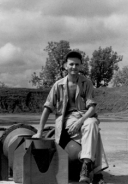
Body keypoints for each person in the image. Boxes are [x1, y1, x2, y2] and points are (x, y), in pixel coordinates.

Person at [32, 50, 108, 183]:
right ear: (65, 65)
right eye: (71, 64)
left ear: (81, 66)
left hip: (84, 117)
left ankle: (85, 167)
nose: (74, 67)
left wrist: (80, 122)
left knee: (92, 124)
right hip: (66, 120)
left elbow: (92, 108)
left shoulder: (86, 83)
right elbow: (47, 108)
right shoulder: (58, 85)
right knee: (94, 133)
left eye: (77, 64)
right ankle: (96, 173)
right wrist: (39, 131)